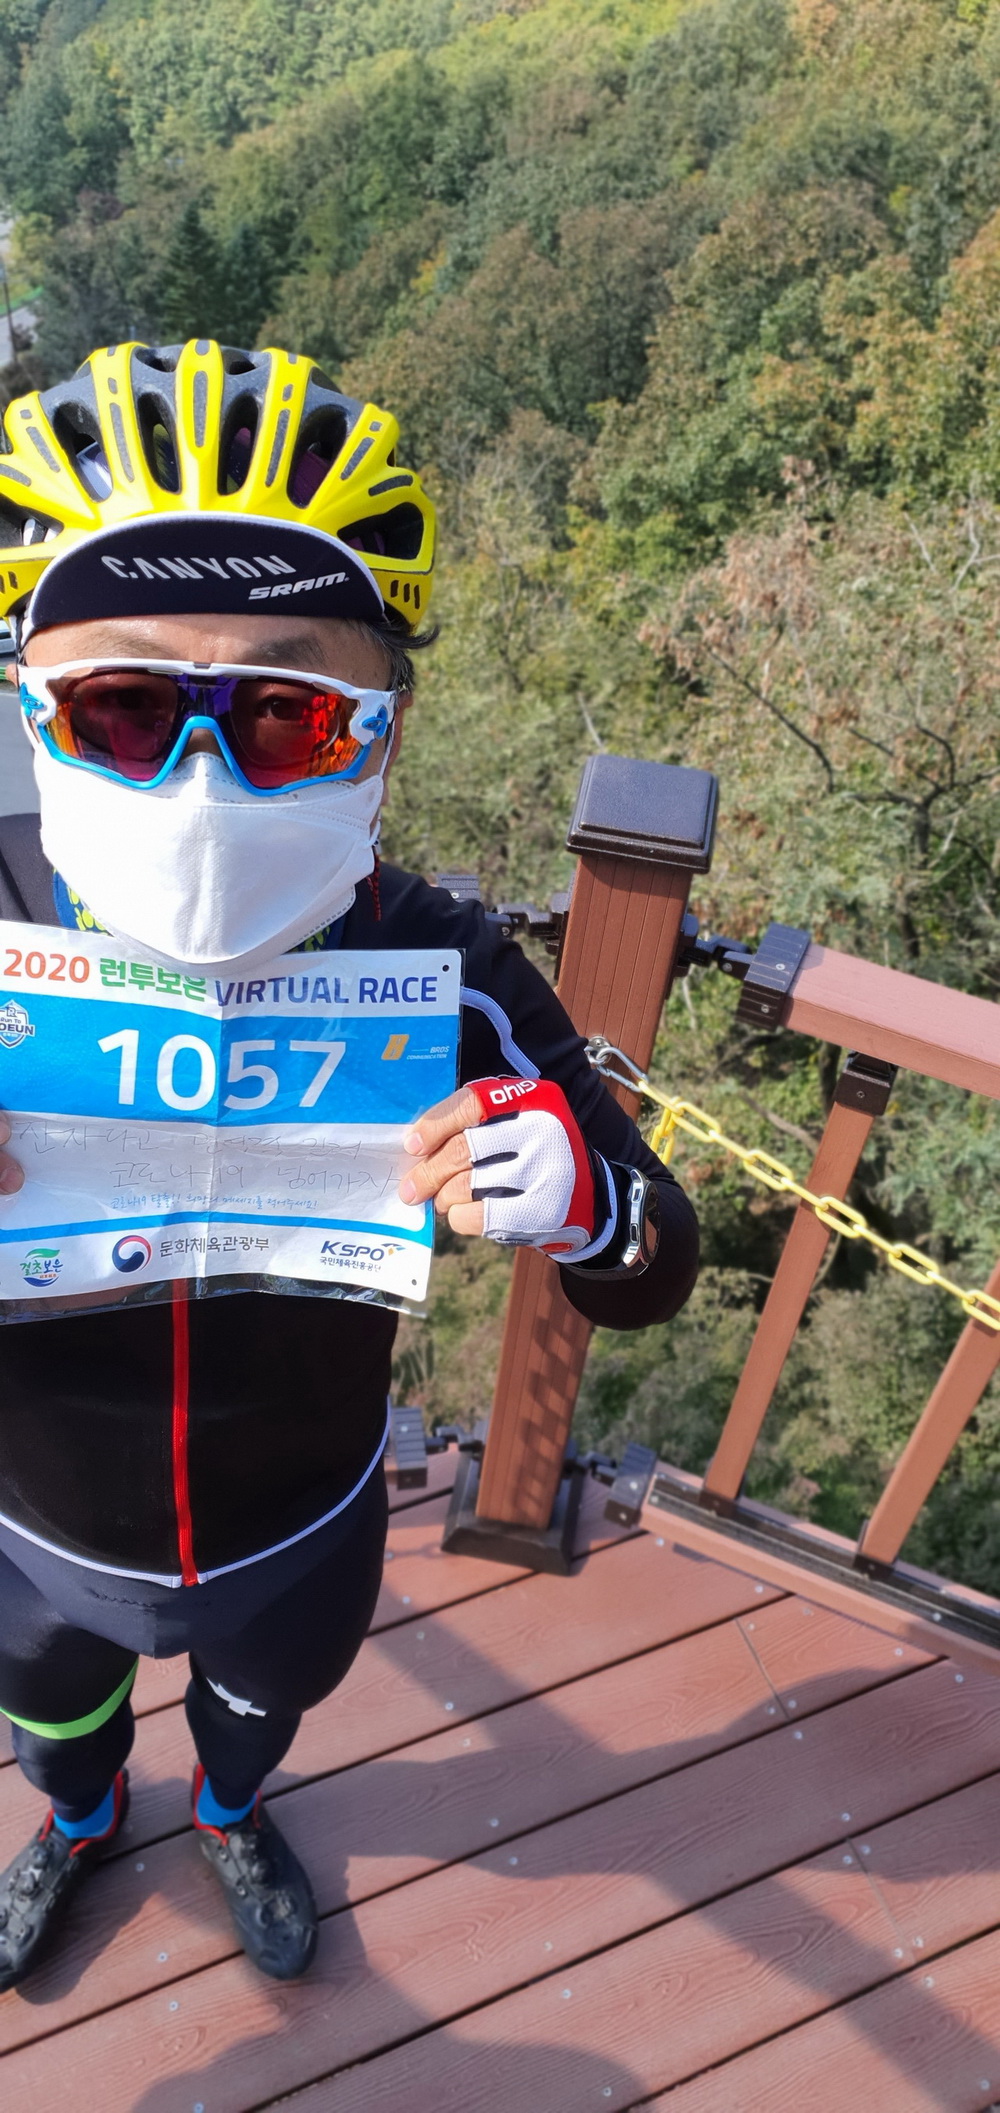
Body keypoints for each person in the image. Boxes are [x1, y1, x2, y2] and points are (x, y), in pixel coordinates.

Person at [0, 339, 699, 1989]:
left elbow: (656, 1255)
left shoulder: (443, 967)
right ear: (28, 703)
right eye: (121, 707)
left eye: (287, 712)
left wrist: (582, 1195)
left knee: (258, 1712)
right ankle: (82, 1825)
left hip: (299, 1516)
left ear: (384, 731)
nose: (200, 782)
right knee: (56, 1728)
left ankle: (230, 1812)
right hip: (31, 1522)